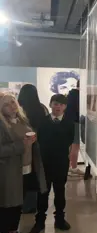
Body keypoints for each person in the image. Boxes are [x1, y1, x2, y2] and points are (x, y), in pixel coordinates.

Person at [0, 93, 47, 233]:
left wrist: (33, 141)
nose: (12, 106)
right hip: (9, 171)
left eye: (13, 102)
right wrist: (22, 145)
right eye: (7, 104)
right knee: (8, 204)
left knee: (18, 204)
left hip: (26, 168)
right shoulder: (2, 124)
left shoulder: (21, 119)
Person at [30, 94, 74, 233]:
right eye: (55, 104)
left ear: (65, 107)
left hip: (61, 163)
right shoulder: (43, 121)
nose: (58, 107)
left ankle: (60, 219)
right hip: (45, 163)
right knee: (43, 192)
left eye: (61, 105)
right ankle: (40, 221)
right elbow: (40, 140)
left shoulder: (69, 122)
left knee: (60, 192)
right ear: (50, 105)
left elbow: (69, 140)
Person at [17, 84, 49, 214]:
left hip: (21, 146)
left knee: (20, 176)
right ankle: (31, 205)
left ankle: (19, 204)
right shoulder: (42, 108)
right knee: (34, 175)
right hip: (38, 146)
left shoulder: (19, 109)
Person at [65, 80, 83, 176]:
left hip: (70, 122)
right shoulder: (78, 96)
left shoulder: (71, 94)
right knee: (75, 146)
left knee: (71, 146)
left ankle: (69, 168)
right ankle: (74, 168)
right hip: (75, 123)